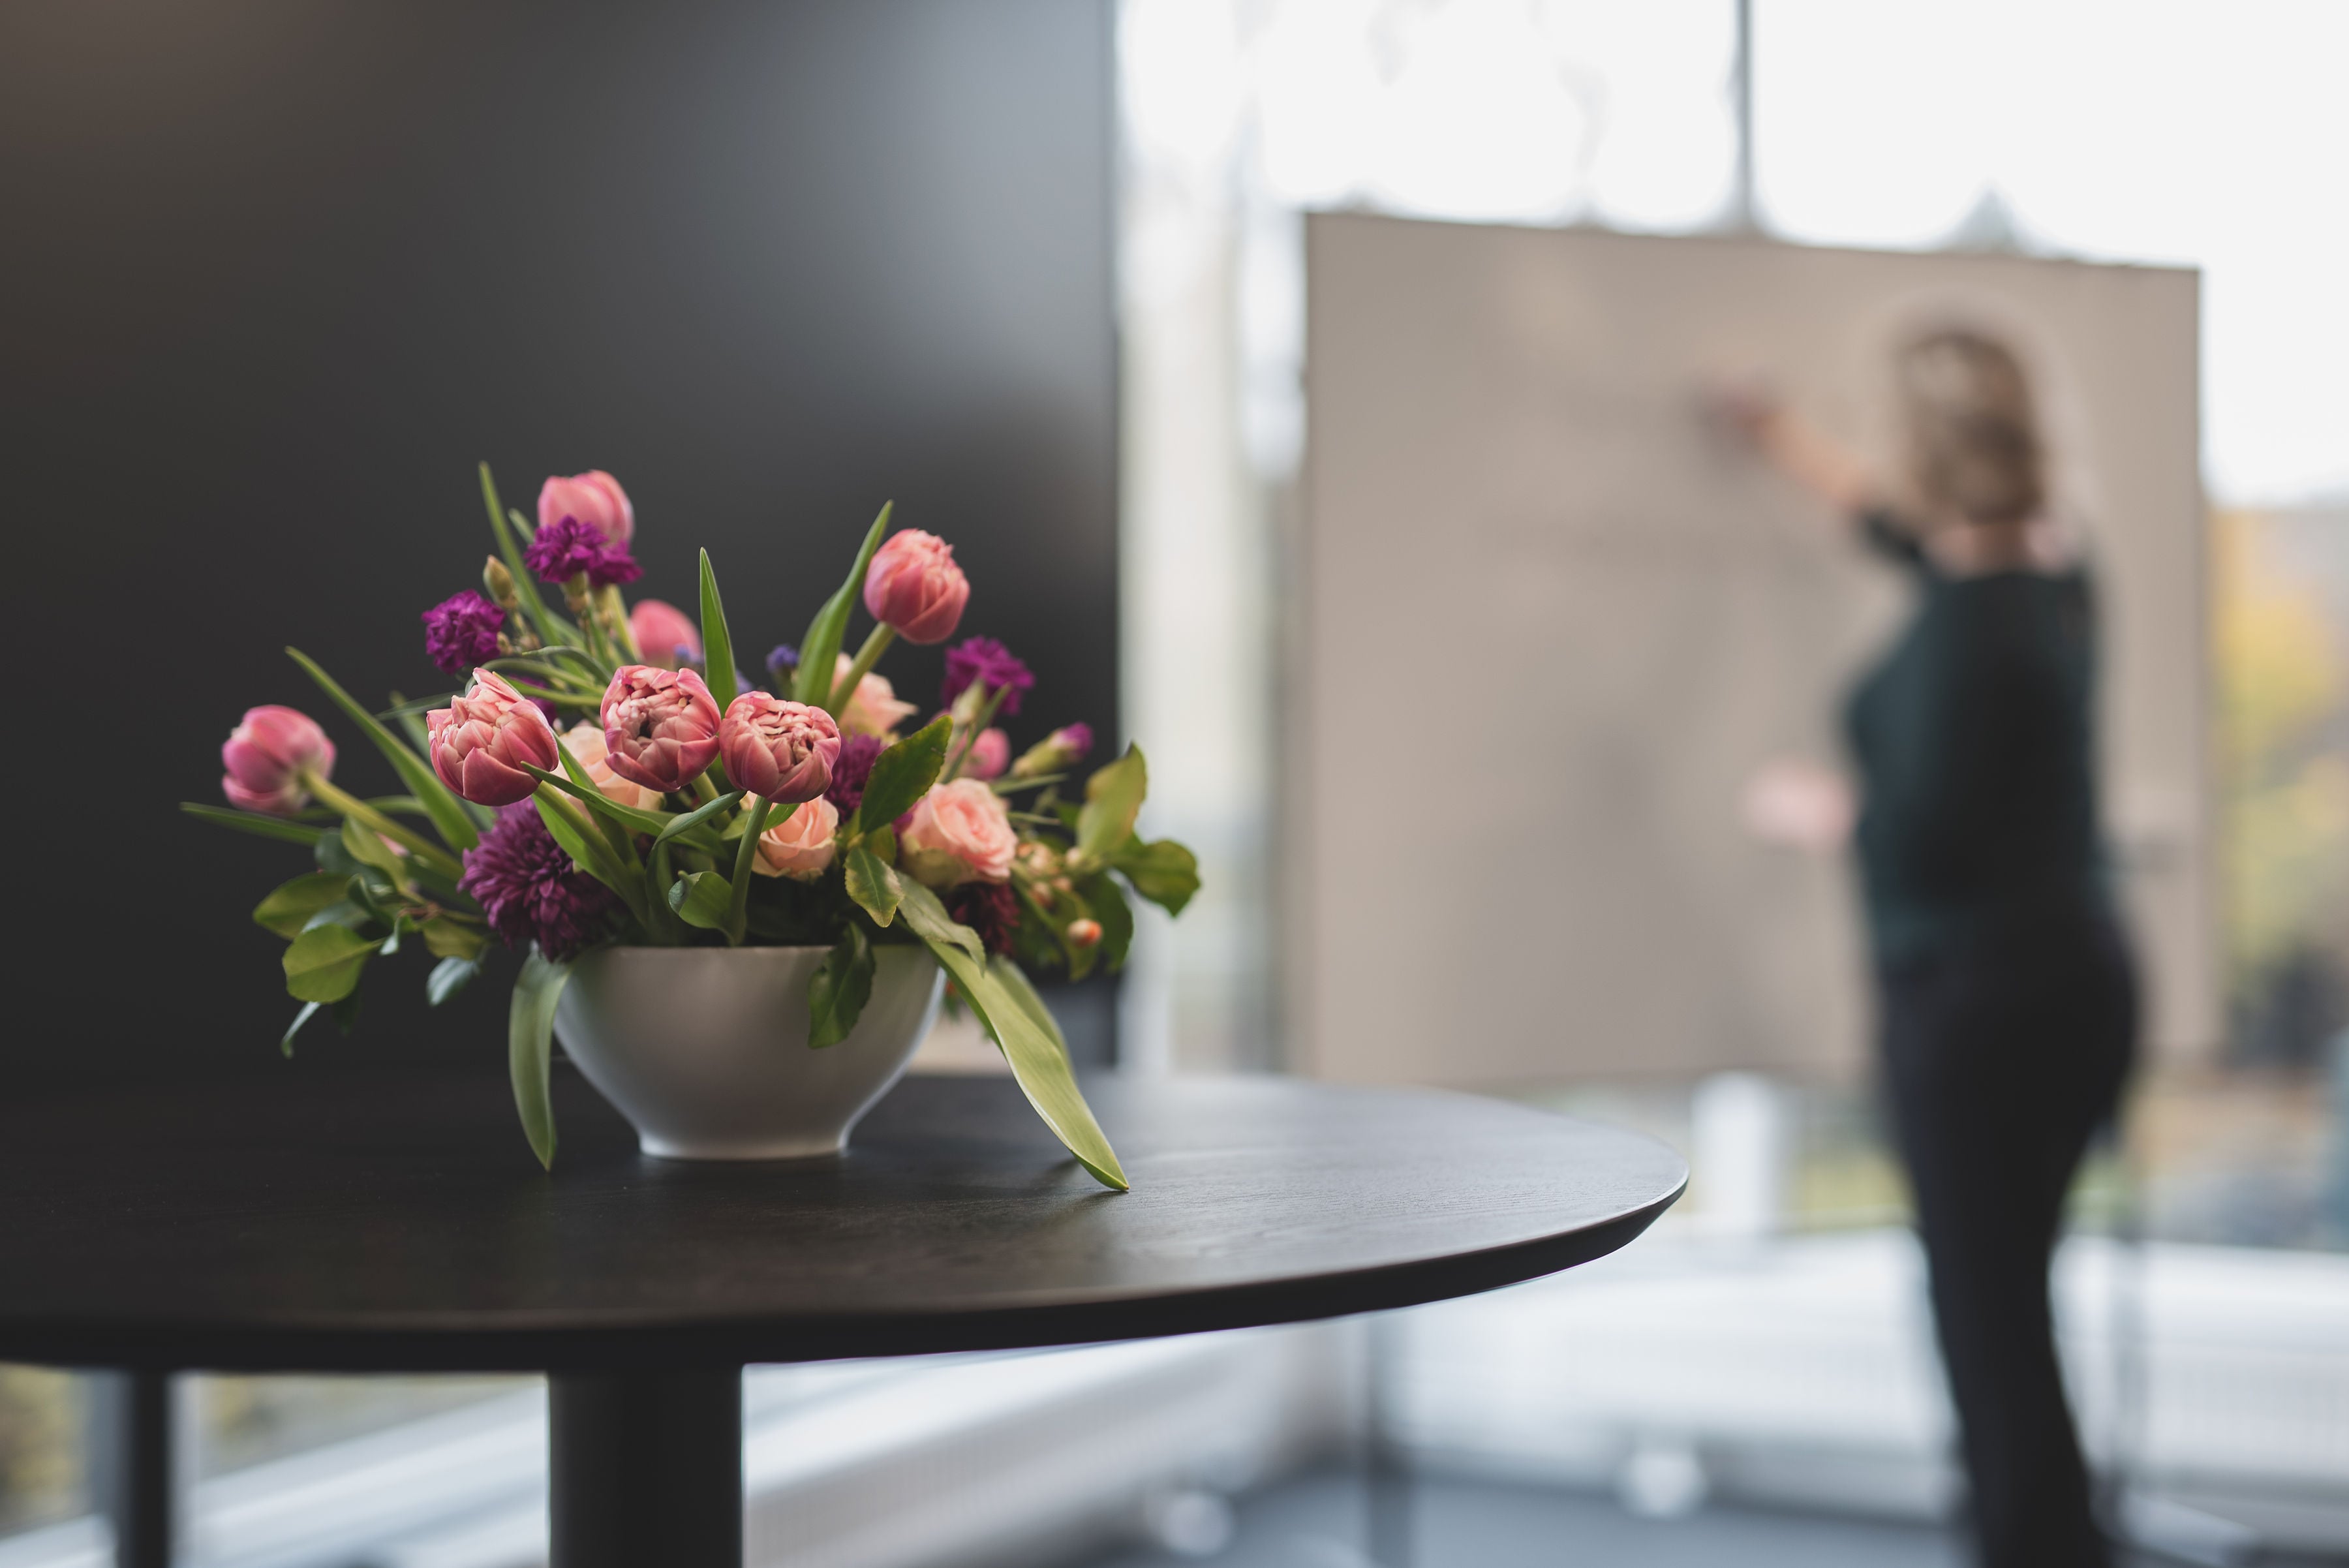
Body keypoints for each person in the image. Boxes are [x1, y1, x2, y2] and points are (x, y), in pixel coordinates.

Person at [1723, 328, 2137, 1568]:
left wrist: (1811, 807)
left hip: (1976, 1013)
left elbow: (1922, 836)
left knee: (1987, 1324)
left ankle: (2034, 1544)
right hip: (2076, 989)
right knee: (2013, 1310)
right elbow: (1904, 530)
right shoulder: (2061, 576)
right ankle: (2057, 1536)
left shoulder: (1972, 632)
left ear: (1923, 456)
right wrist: (1783, 445)